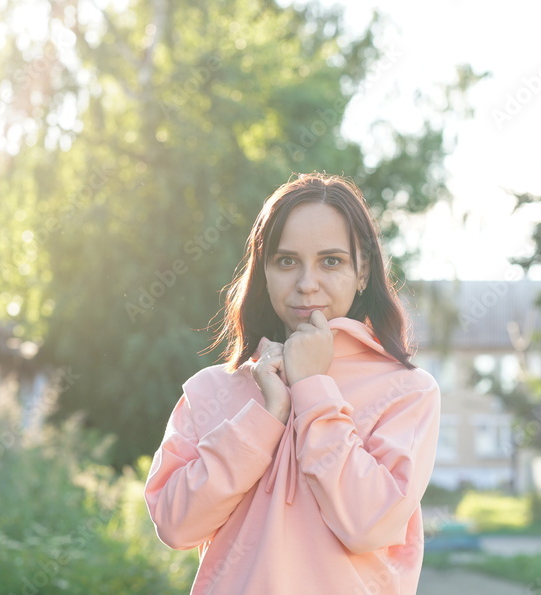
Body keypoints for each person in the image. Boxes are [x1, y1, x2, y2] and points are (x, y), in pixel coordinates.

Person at [144, 173, 441, 594]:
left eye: (331, 261)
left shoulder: (408, 392)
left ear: (363, 272)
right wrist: (267, 416)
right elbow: (175, 525)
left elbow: (369, 525)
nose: (306, 283)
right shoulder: (210, 390)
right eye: (286, 261)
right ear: (263, 271)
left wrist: (313, 388)